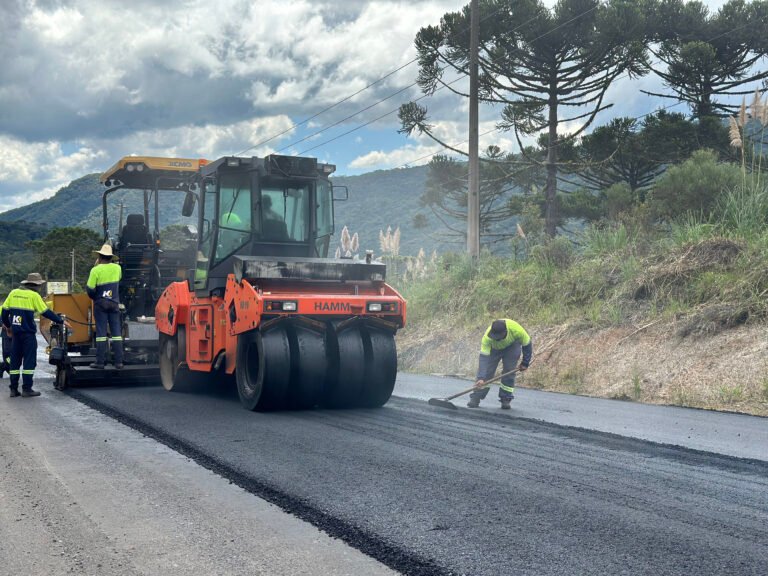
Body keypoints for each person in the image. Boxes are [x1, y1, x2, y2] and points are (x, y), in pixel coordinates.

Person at [1, 273, 69, 397]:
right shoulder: (34, 296)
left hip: (16, 334)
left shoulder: (13, 293)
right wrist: (61, 320)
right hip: (28, 335)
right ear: (36, 285)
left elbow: (4, 313)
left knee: (15, 361)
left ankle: (13, 389)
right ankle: (27, 389)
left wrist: (8, 327)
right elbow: (46, 312)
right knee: (29, 361)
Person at [468, 318, 533, 410]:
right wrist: (481, 377)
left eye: (498, 337)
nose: (496, 338)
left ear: (505, 332)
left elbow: (527, 344)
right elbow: (484, 358)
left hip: (512, 346)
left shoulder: (517, 330)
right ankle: (476, 397)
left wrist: (525, 363)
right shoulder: (487, 338)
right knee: (487, 372)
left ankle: (505, 398)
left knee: (509, 371)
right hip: (494, 349)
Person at [86, 244, 123, 369]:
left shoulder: (95, 270)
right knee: (116, 333)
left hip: (100, 303)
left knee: (101, 333)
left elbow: (90, 289)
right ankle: (118, 362)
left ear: (100, 256)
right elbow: (119, 280)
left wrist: (96, 298)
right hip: (114, 303)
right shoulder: (117, 268)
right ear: (111, 257)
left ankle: (100, 362)